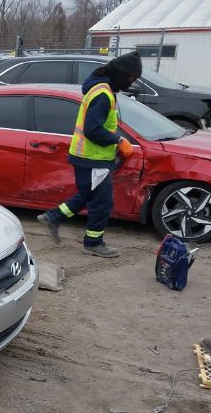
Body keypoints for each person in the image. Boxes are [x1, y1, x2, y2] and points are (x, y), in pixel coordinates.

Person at [37, 51, 143, 258]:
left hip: (90, 158)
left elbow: (102, 126)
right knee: (102, 203)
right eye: (131, 79)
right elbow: (93, 130)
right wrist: (119, 141)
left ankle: (53, 217)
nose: (131, 83)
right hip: (92, 159)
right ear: (121, 74)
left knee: (88, 196)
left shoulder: (102, 89)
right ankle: (93, 243)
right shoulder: (102, 94)